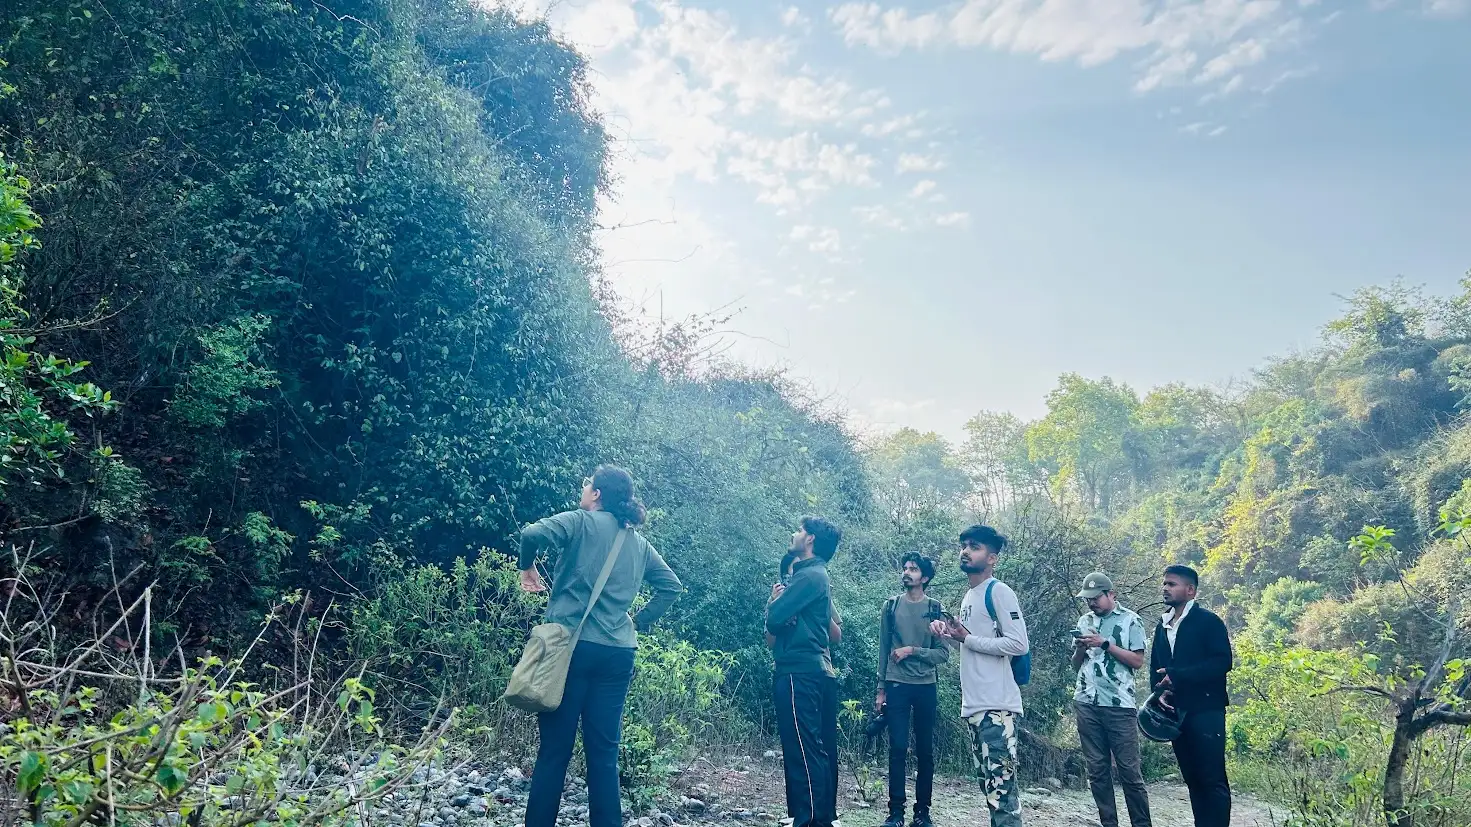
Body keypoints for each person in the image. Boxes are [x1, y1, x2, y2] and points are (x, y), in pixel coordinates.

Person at [517, 466, 684, 827]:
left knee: (554, 752)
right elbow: (671, 587)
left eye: (587, 483)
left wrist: (526, 567)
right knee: (604, 756)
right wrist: (637, 621)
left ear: (596, 494)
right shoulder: (639, 544)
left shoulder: (579, 522)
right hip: (618, 653)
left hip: (571, 650)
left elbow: (531, 533)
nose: (584, 487)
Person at [929, 525, 1029, 827]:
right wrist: (949, 635)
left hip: (997, 707)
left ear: (992, 558)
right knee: (990, 789)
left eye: (974, 546)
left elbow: (1018, 644)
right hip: (976, 705)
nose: (965, 551)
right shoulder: (970, 595)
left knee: (1003, 793)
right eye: (964, 545)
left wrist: (967, 638)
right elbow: (972, 644)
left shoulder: (998, 591)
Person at [767, 517, 843, 827]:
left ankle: (810, 820)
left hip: (800, 671)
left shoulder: (809, 576)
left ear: (810, 539)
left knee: (805, 749)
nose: (794, 534)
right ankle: (817, 818)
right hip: (807, 670)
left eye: (800, 530)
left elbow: (774, 619)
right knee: (811, 747)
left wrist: (777, 603)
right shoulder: (813, 575)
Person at [1149, 565, 1233, 827]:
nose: (1165, 588)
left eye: (1172, 584)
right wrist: (1159, 692)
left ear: (1190, 590)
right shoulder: (1162, 625)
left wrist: (1178, 676)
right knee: (1193, 779)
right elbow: (1156, 667)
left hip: (1206, 709)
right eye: (1164, 583)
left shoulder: (1208, 622)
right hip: (1177, 713)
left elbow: (1222, 662)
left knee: (1212, 779)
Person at [1071, 572, 1152, 827]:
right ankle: (1109, 823)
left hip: (1119, 704)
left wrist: (1105, 644)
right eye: (1088, 598)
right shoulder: (1084, 621)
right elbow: (1075, 665)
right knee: (1097, 770)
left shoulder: (1131, 620)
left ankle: (1141, 824)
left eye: (1096, 597)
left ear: (1111, 595)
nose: (1091, 602)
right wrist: (1080, 649)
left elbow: (1137, 661)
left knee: (1129, 771)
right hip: (1086, 701)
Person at [876, 553, 949, 827]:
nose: (906, 572)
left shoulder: (935, 608)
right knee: (897, 747)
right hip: (896, 684)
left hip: (926, 686)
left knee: (925, 750)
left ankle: (922, 813)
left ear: (925, 577)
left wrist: (912, 650)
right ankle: (896, 813)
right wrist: (880, 689)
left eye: (914, 569)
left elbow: (943, 654)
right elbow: (883, 650)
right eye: (905, 568)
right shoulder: (891, 606)